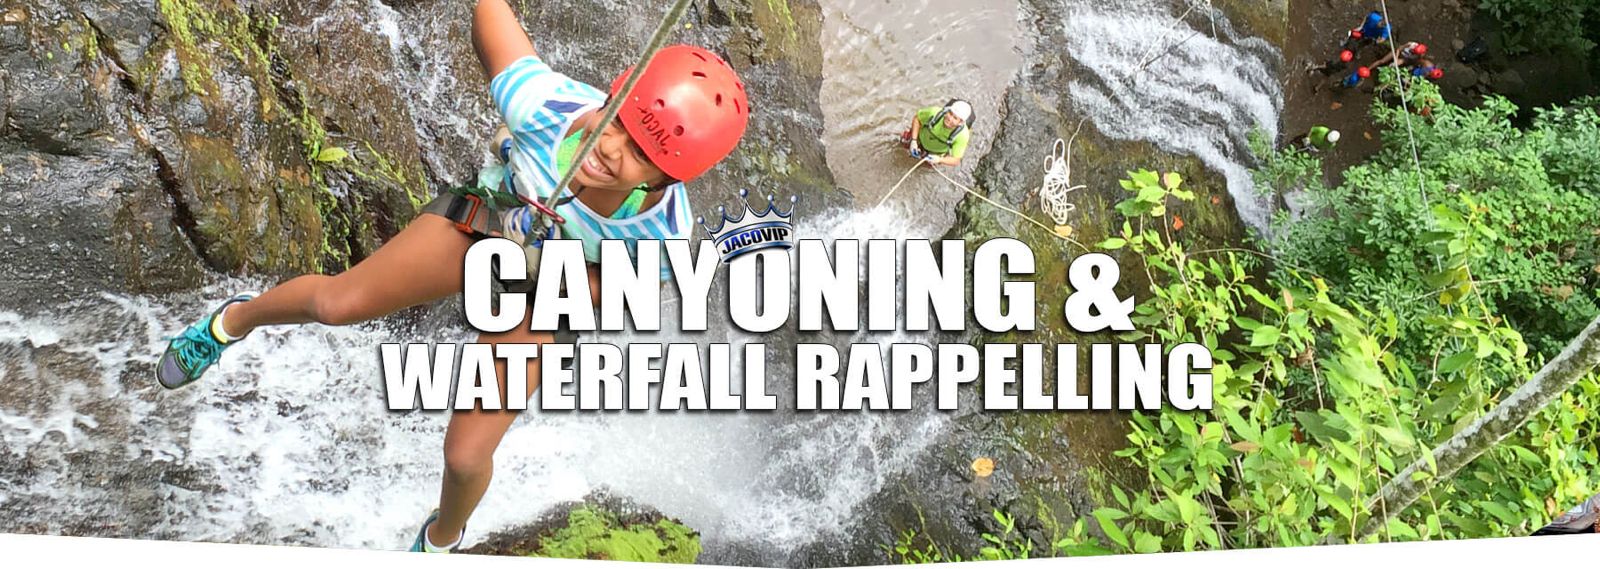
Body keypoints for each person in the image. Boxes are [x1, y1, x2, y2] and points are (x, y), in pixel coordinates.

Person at [153, 0, 750, 553]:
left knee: (466, 457)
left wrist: (552, 280)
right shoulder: (543, 107)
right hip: (481, 224)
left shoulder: (660, 235)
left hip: (547, 289)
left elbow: (614, 292)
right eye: (620, 120)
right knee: (337, 305)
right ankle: (231, 322)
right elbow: (494, 24)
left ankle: (440, 541)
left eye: (642, 153)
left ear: (665, 181)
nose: (612, 148)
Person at [898, 99, 974, 167]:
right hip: (918, 138)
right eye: (950, 113)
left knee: (923, 167)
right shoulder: (933, 113)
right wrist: (913, 140)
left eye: (955, 118)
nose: (950, 119)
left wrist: (939, 160)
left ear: (960, 122)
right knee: (900, 145)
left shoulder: (962, 136)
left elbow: (956, 160)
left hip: (934, 154)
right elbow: (917, 119)